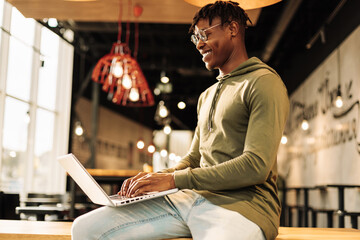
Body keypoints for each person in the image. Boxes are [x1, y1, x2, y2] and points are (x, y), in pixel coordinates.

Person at [71, 1, 289, 240]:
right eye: (196, 38)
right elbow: (195, 158)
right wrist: (153, 181)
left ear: (232, 29)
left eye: (205, 34)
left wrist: (174, 180)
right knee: (85, 229)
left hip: (243, 208)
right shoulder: (207, 95)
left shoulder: (263, 82)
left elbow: (255, 166)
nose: (199, 44)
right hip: (190, 199)